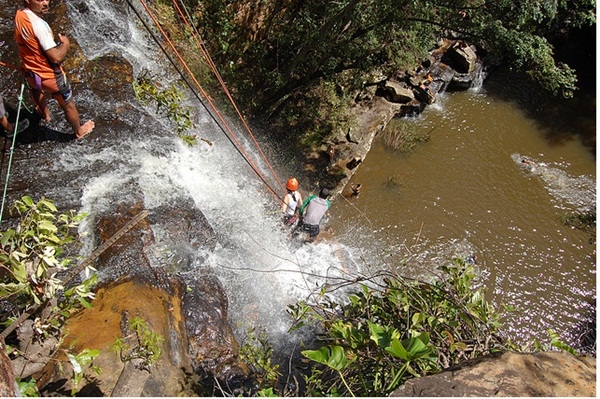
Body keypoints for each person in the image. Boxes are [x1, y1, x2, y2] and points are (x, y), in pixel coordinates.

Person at [14, 0, 94, 139]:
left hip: (31, 71)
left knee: (36, 89)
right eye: (39, 0)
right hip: (50, 76)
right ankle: (79, 131)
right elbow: (56, 57)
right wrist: (66, 44)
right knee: (68, 104)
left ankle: (44, 113)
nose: (45, 3)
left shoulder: (19, 15)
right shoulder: (39, 25)